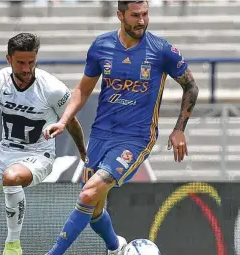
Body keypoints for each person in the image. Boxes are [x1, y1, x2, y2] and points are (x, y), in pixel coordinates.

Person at [43, 1, 199, 254]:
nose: (142, 21)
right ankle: (116, 247)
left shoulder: (162, 50)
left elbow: (191, 86)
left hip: (136, 138)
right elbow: (83, 89)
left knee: (87, 194)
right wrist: (63, 121)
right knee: (93, 208)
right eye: (135, 15)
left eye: (145, 14)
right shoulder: (101, 45)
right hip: (101, 134)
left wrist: (179, 127)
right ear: (120, 15)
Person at [0, 32, 87, 255]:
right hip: (4, 150)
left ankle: (12, 246)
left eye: (31, 62)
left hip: (38, 155)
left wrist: (83, 154)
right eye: (20, 62)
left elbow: (72, 122)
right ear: (9, 59)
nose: (27, 68)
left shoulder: (52, 88)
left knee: (12, 176)